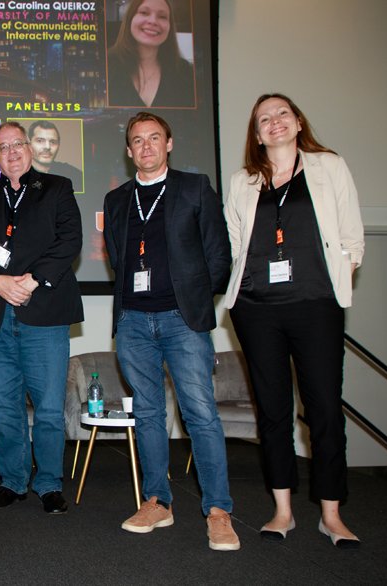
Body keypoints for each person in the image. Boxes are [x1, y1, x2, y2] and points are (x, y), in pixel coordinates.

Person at [224, 94, 364, 548]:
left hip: (316, 304)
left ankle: (331, 514)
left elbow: (352, 237)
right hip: (257, 308)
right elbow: (236, 243)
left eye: (282, 113)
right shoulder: (243, 181)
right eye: (264, 118)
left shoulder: (329, 167)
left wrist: (340, 273)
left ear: (298, 122)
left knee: (324, 409)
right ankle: (282, 511)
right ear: (257, 133)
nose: (275, 122)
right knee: (273, 411)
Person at [102, 112, 239, 551]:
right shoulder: (118, 199)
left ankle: (218, 510)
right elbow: (117, 258)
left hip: (183, 321)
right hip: (133, 321)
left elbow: (219, 256)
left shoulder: (194, 187)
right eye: (137, 140)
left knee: (199, 413)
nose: (146, 146)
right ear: (129, 151)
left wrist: (195, 301)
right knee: (147, 414)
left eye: (154, 138)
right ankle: (158, 501)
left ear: (169, 143)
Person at [0, 121, 83, 515]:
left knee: (48, 406)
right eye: (2, 147)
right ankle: (12, 480)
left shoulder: (58, 189)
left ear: (29, 149)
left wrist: (31, 281)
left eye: (17, 144)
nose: (11, 152)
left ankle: (48, 483)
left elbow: (69, 241)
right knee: (3, 405)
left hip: (44, 312)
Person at [107, 0, 194, 108]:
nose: (153, 21)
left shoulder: (184, 71)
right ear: (130, 19)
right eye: (144, 13)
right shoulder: (105, 65)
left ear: (170, 27)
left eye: (162, 17)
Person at [27, 120, 83, 190]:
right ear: (29, 144)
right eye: (40, 141)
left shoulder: (74, 175)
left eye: (52, 142)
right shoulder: (17, 174)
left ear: (59, 145)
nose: (47, 147)